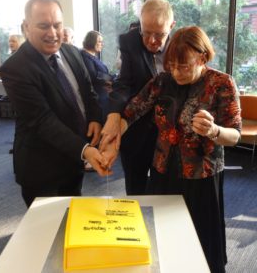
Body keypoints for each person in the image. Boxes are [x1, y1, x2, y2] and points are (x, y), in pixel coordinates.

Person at [103, 26, 242, 273]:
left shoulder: (221, 83)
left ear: (201, 57)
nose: (176, 72)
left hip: (202, 176)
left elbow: (235, 135)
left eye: (184, 66)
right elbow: (133, 111)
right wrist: (113, 136)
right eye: (172, 65)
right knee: (162, 239)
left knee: (200, 242)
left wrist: (214, 131)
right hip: (163, 172)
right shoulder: (162, 80)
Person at [0, 0, 110, 207]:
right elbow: (42, 121)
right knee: (46, 235)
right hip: (42, 171)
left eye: (57, 25)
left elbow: (88, 93)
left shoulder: (72, 52)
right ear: (26, 27)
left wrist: (95, 118)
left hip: (73, 162)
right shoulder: (15, 69)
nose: (52, 33)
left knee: (72, 226)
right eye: (43, 26)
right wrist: (85, 150)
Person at [100, 0, 176, 195]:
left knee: (166, 191)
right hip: (137, 128)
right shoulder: (130, 40)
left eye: (159, 35)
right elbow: (124, 83)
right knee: (135, 189)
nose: (151, 41)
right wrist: (114, 114)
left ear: (172, 26)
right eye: (146, 32)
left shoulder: (181, 44)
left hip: (171, 133)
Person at [80, 30, 113, 121]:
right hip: (98, 98)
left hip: (103, 94)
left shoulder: (92, 56)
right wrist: (111, 79)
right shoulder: (85, 56)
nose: (102, 44)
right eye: (99, 41)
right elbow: (94, 75)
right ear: (91, 41)